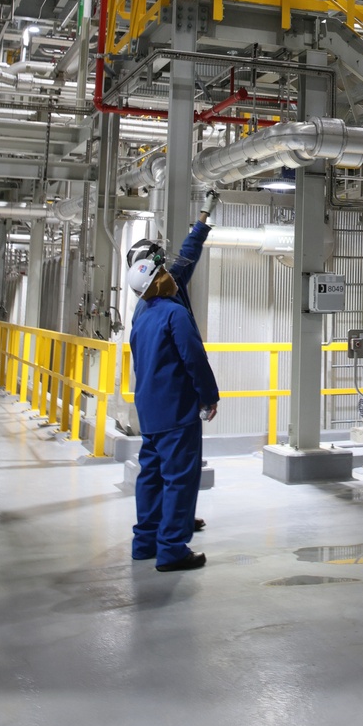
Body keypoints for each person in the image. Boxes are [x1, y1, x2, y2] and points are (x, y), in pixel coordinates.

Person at [126, 192, 220, 571]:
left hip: (149, 409)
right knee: (181, 477)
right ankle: (171, 549)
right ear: (157, 277)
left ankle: (144, 542)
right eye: (163, 269)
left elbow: (185, 256)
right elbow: (194, 358)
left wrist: (202, 222)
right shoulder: (174, 312)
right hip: (177, 409)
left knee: (151, 476)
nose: (170, 272)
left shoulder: (141, 312)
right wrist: (209, 396)